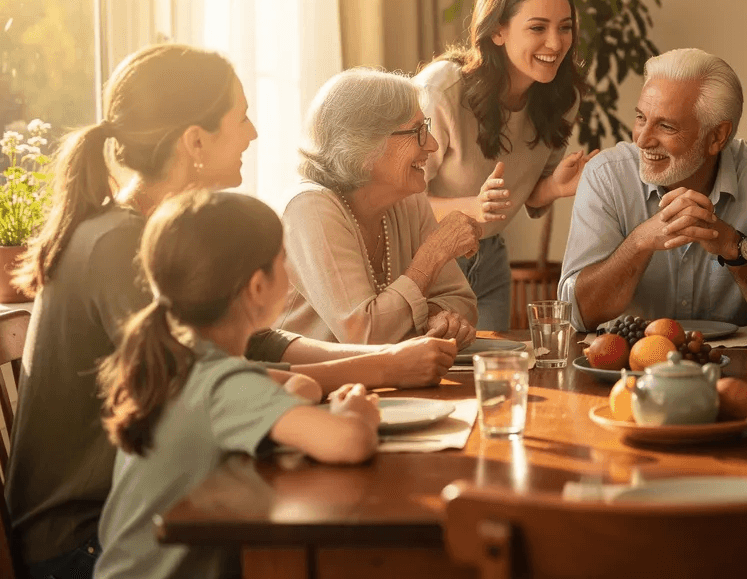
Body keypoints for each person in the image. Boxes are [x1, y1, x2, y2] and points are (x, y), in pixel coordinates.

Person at [4, 45, 459, 579]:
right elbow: (208, 377)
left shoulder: (168, 235)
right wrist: (379, 367)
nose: (254, 133)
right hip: (91, 540)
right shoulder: (118, 245)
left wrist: (382, 355)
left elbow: (255, 343)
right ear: (195, 141)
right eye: (240, 116)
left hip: (162, 511)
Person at [94, 190, 380, 579]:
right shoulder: (220, 383)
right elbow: (350, 442)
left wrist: (292, 395)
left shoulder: (182, 361)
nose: (290, 269)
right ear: (257, 287)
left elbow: (303, 385)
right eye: (283, 260)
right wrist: (354, 415)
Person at [559, 48, 747, 331]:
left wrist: (733, 246)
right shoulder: (606, 175)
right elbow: (576, 314)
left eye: (665, 126)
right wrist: (639, 242)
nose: (642, 140)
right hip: (630, 366)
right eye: (641, 118)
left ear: (717, 136)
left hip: (746, 368)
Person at [415, 0, 595, 333]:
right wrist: (471, 207)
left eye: (565, 28)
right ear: (497, 30)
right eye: (537, 28)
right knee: (440, 382)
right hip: (428, 261)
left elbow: (526, 198)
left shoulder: (563, 99)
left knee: (494, 380)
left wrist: (554, 188)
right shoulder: (442, 91)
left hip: (491, 260)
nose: (556, 43)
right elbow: (395, 203)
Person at [276, 67, 480, 344]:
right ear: (363, 145)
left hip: (378, 382)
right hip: (301, 383)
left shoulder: (408, 200)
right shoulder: (309, 208)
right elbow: (363, 334)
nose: (431, 145)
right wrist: (434, 253)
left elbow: (461, 300)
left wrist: (435, 315)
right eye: (418, 131)